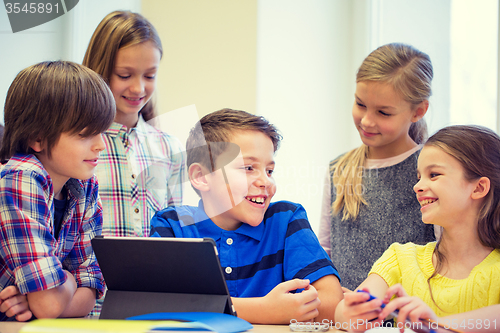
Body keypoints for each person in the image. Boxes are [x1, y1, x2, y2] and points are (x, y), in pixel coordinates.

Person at [150, 108, 343, 324]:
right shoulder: (172, 226)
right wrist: (264, 310)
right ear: (202, 177)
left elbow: (331, 302)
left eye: (269, 170)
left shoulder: (286, 220)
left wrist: (209, 307)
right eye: (249, 168)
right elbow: (159, 304)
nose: (266, 182)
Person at [335, 125, 500, 332]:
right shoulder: (400, 258)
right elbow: (343, 314)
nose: (417, 186)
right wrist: (349, 313)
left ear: (478, 187)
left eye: (434, 174)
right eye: (419, 176)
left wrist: (434, 326)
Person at [0, 61, 115, 321]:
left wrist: (40, 299)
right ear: (37, 138)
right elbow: (49, 305)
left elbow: (91, 290)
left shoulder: (84, 184)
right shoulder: (21, 178)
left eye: (102, 132)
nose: (100, 145)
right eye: (85, 134)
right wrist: (72, 282)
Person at [318, 43, 435, 290]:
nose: (367, 121)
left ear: (418, 111)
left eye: (383, 112)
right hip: (347, 319)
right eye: (360, 104)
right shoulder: (339, 169)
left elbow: (446, 251)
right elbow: (325, 249)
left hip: (406, 319)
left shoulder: (431, 169)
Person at [82, 10, 185, 238]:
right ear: (99, 71)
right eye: (124, 75)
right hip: (88, 274)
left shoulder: (171, 149)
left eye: (149, 76)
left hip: (153, 274)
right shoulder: (75, 145)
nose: (138, 88)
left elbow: (175, 234)